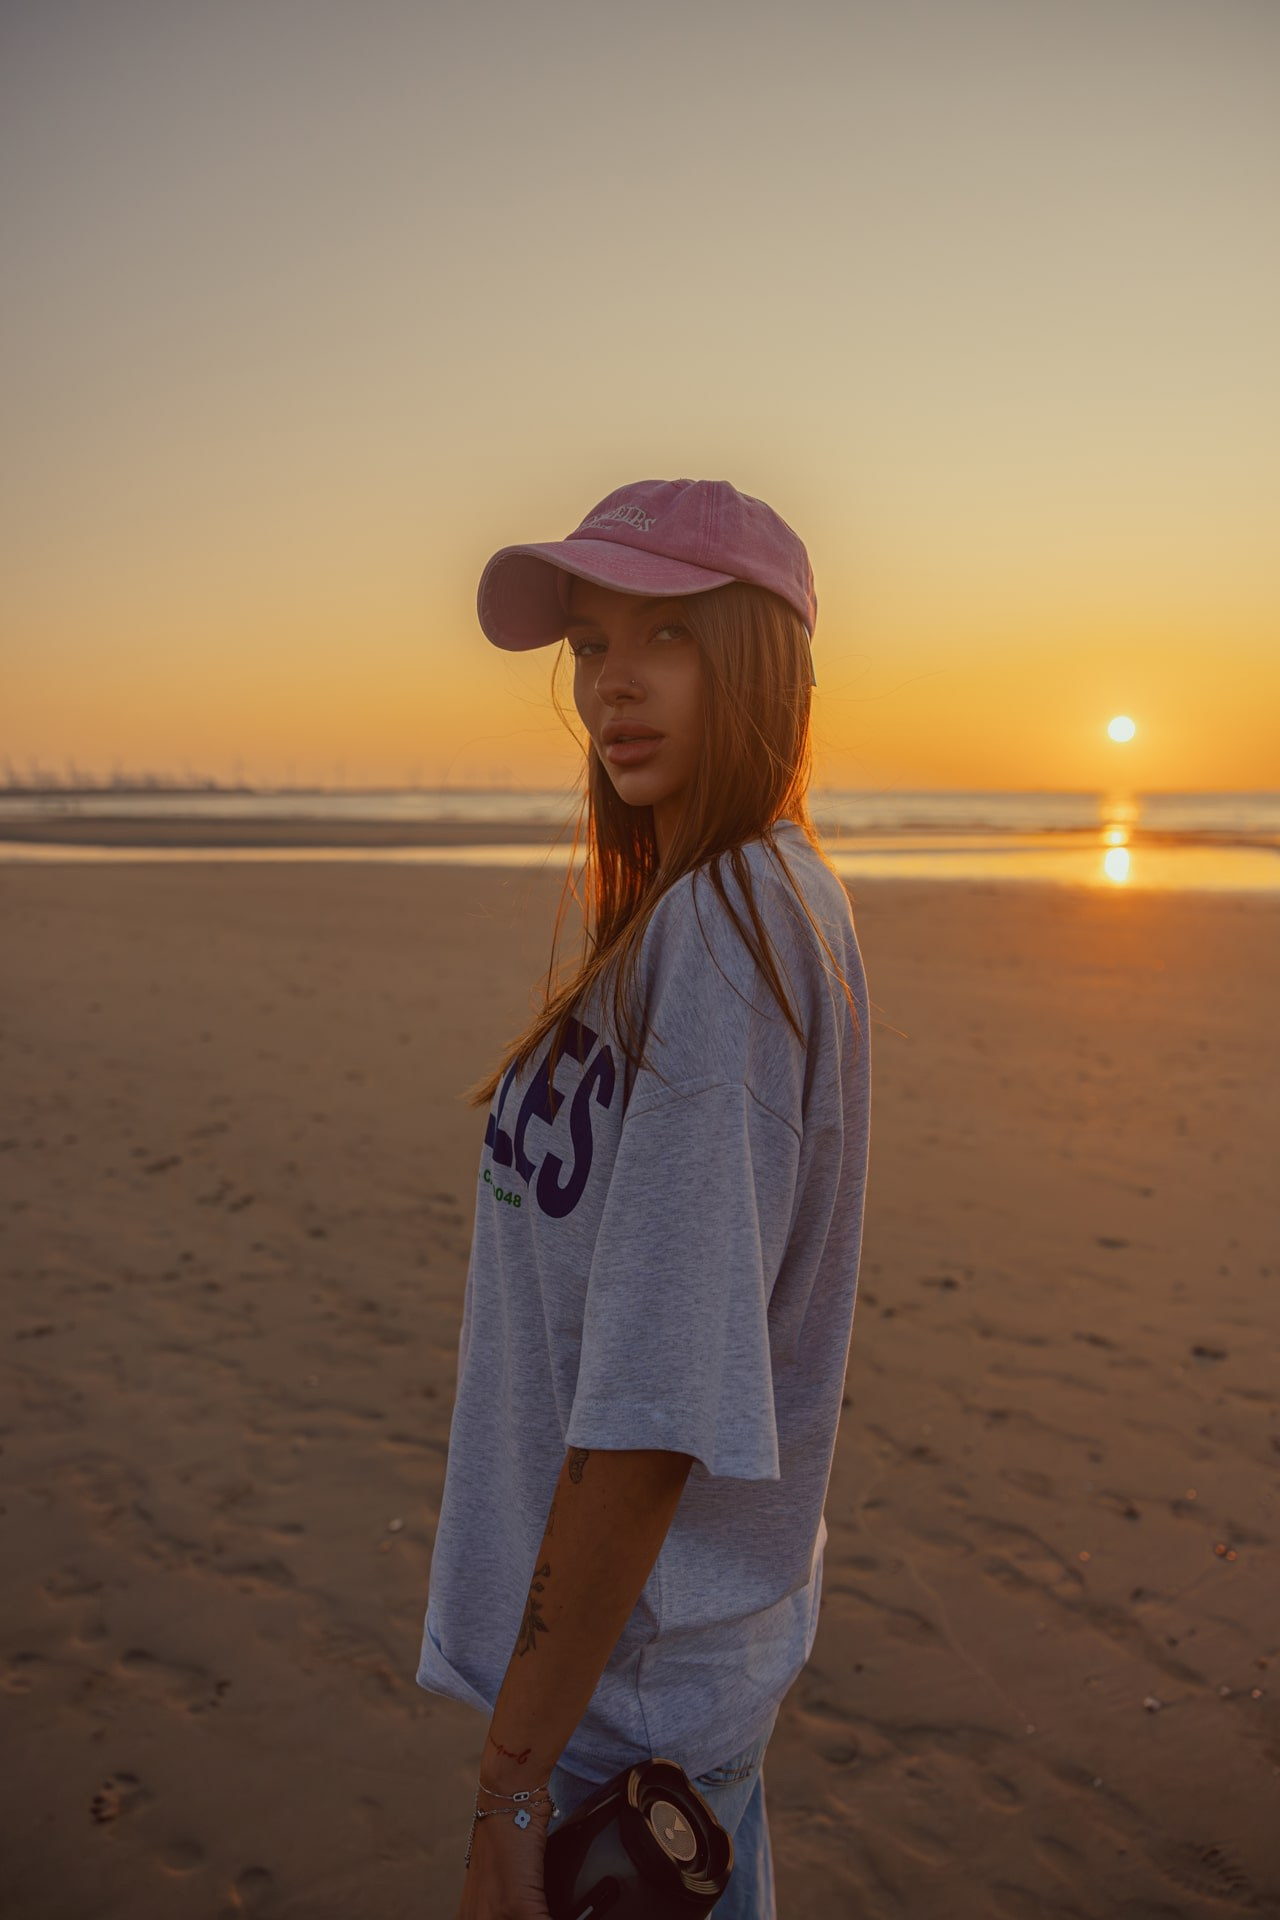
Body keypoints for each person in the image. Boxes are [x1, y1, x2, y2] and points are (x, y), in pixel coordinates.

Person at [415, 477, 872, 1920]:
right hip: (666, 1674)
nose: (612, 682)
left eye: (666, 632)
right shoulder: (748, 895)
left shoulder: (730, 935)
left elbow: (655, 1415)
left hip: (630, 1704)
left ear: (760, 660)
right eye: (589, 643)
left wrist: (511, 1780)